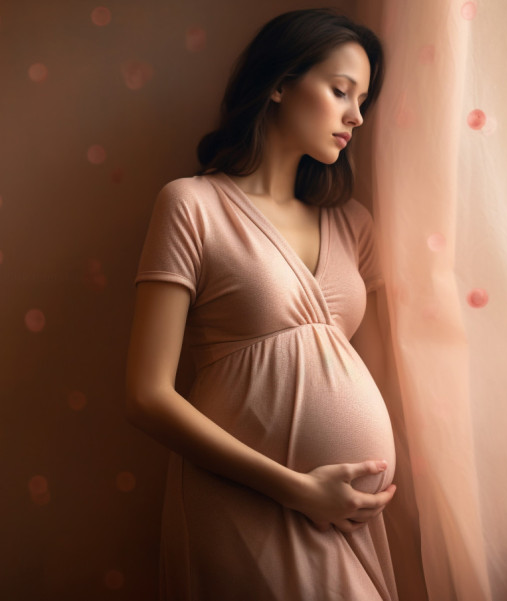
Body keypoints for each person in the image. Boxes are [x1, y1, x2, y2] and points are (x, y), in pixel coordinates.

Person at [125, 8, 400, 600]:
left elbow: (369, 372)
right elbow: (146, 396)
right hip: (246, 501)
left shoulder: (353, 224)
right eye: (340, 91)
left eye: (362, 100)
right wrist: (297, 488)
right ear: (279, 83)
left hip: (346, 512)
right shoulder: (192, 206)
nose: (356, 116)